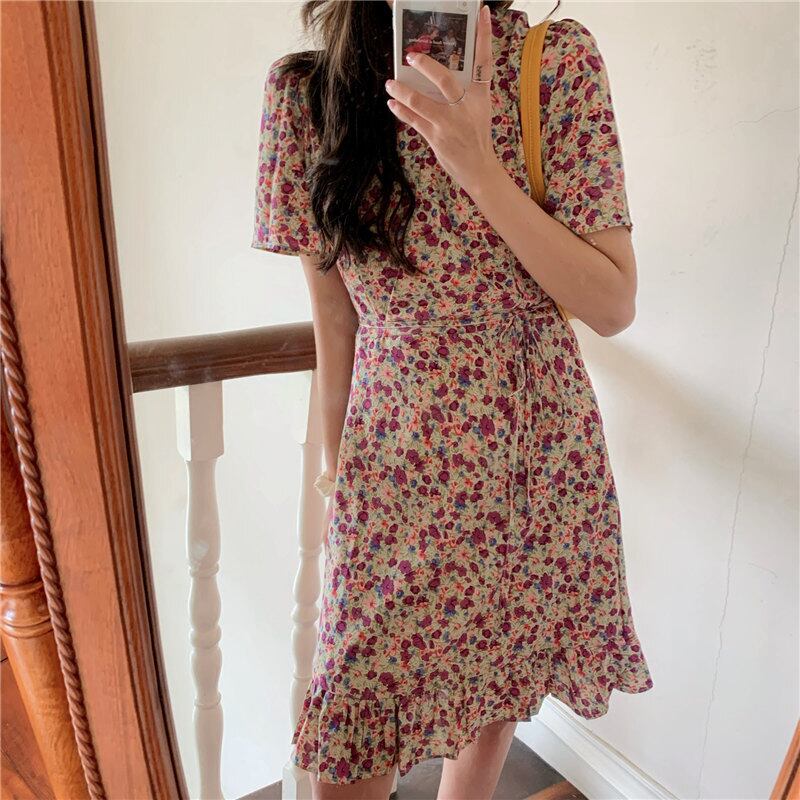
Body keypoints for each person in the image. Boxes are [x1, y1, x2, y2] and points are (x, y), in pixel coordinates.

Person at [252, 2, 654, 798]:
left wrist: (477, 165)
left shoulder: (553, 63)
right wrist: (339, 479)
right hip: (394, 459)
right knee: (356, 712)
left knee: (497, 680)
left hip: (533, 449)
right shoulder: (307, 94)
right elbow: (337, 321)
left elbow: (611, 304)